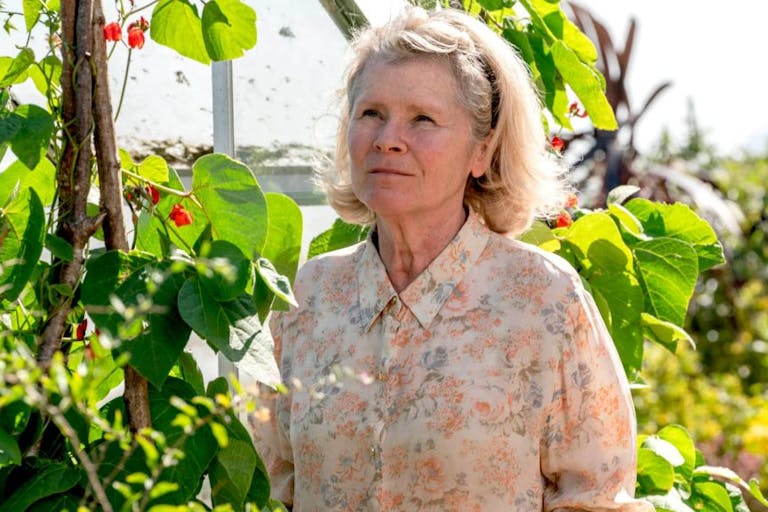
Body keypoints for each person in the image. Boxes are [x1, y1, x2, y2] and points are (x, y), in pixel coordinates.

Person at [253, 6, 652, 511]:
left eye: (423, 118)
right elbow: (278, 486)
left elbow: (597, 500)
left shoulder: (542, 300)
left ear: (481, 152)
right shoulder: (308, 297)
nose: (387, 139)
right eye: (371, 113)